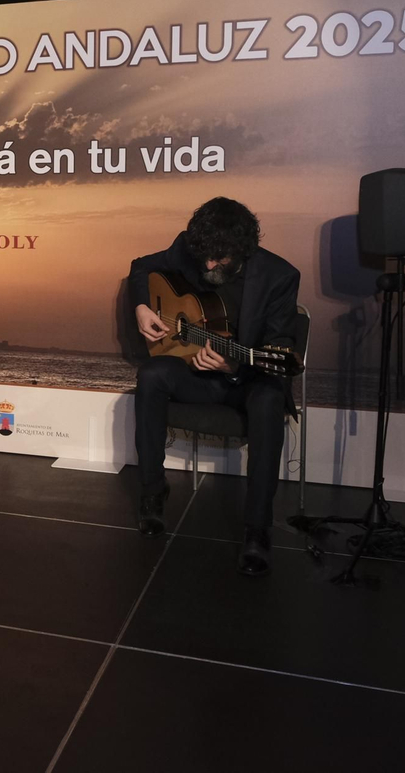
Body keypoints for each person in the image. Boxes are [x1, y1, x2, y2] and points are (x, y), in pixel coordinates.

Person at [127, 197, 300, 576]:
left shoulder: (279, 277)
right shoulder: (192, 250)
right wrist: (142, 306)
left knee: (271, 399)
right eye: (203, 255)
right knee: (152, 375)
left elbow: (281, 350)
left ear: (242, 249)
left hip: (247, 380)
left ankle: (257, 529)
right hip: (197, 375)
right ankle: (153, 491)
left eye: (218, 259)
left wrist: (233, 365)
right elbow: (142, 268)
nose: (207, 266)